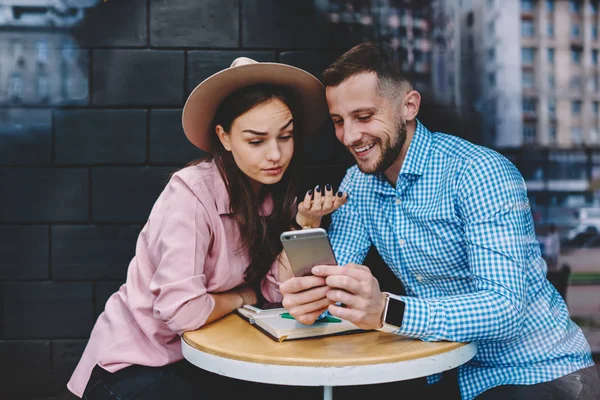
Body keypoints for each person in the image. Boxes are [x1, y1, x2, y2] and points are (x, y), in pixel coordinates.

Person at [280, 42, 600, 400]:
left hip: (538, 371)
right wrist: (314, 297)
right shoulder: (358, 183)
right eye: (339, 121)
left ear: (409, 106)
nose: (350, 136)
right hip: (446, 372)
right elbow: (335, 273)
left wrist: (387, 309)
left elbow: (505, 308)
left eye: (365, 116)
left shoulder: (478, 172)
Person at [67, 57, 346, 399]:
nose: (276, 154)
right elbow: (183, 312)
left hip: (204, 361)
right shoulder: (190, 193)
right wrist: (245, 295)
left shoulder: (277, 197)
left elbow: (276, 294)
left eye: (285, 136)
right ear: (224, 137)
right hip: (132, 365)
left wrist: (305, 224)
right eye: (256, 141)